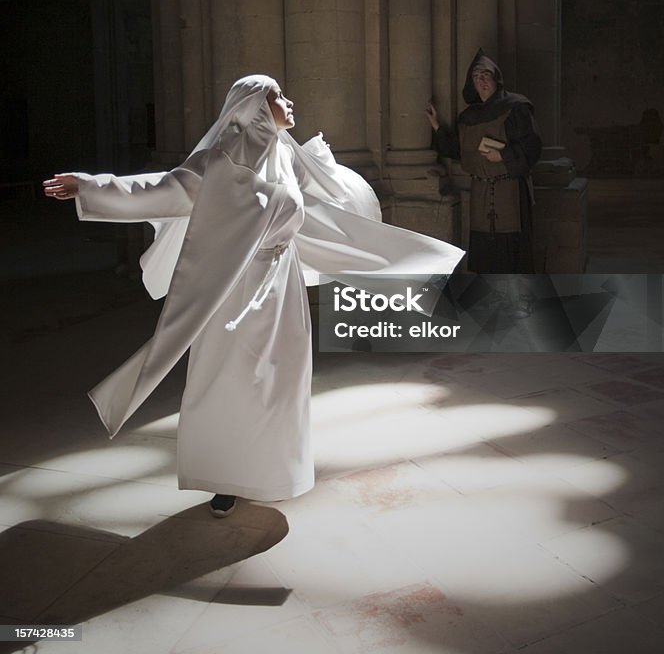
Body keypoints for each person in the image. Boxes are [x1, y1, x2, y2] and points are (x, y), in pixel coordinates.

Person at [44, 75, 463, 517]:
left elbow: (324, 195)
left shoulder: (285, 153)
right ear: (255, 107)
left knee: (282, 381)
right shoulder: (220, 160)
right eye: (278, 96)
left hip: (282, 284)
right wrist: (91, 186)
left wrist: (325, 167)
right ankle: (226, 478)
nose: (289, 101)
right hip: (234, 288)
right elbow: (160, 189)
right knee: (231, 382)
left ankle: (276, 472)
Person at [426, 50, 542, 274]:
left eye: (486, 75)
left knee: (512, 250)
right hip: (480, 194)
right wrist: (437, 127)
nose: (482, 81)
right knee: (485, 251)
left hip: (510, 192)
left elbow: (533, 147)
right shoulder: (468, 117)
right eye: (476, 77)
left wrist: (504, 155)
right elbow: (459, 150)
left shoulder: (516, 107)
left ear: (496, 78)